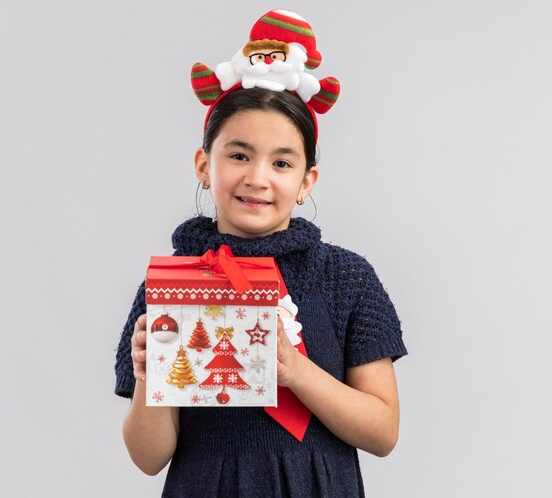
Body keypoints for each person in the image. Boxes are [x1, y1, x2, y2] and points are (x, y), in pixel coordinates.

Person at [114, 10, 407, 497]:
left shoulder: (345, 277)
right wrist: (149, 378)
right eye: (238, 155)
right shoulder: (171, 283)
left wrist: (295, 371)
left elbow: (383, 432)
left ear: (305, 181)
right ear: (204, 166)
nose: (257, 178)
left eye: (282, 162)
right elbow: (148, 458)